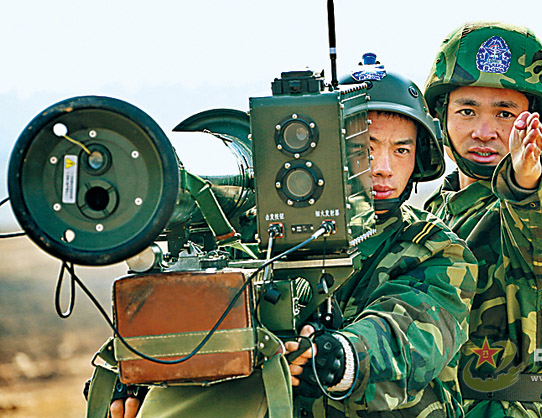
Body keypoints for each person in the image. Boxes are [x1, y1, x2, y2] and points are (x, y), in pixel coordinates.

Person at [105, 54, 478, 418]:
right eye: (364, 149)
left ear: (419, 160)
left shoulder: (433, 247)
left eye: (401, 150)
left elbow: (410, 336)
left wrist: (339, 357)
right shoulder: (258, 237)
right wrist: (148, 369)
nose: (382, 169)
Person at [422, 22, 542, 418]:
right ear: (441, 117)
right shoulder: (434, 212)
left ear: (532, 121)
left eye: (504, 113)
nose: (484, 131)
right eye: (466, 111)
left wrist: (525, 176)